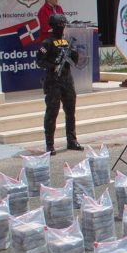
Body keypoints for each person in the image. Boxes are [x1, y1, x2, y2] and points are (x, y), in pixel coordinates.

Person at [36, 13, 82, 154]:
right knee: (52, 112)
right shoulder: (47, 43)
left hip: (67, 80)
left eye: (63, 26)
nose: (62, 28)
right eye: (59, 26)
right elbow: (39, 61)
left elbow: (76, 60)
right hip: (53, 81)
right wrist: (52, 65)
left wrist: (74, 53)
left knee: (70, 111)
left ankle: (72, 140)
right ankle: (50, 145)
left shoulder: (67, 42)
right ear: (54, 27)